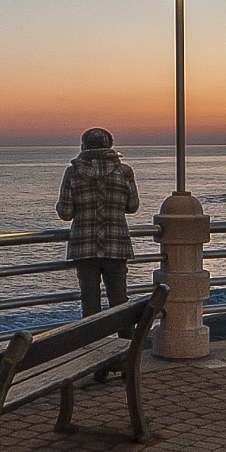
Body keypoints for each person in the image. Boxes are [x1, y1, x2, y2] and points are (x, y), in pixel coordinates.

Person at [57, 128, 138, 315]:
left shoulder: (73, 172)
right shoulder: (124, 171)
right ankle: (127, 342)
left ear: (83, 146)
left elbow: (65, 213)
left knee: (90, 303)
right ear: (110, 145)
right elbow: (133, 206)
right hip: (117, 245)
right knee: (120, 302)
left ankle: (95, 343)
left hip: (84, 247)